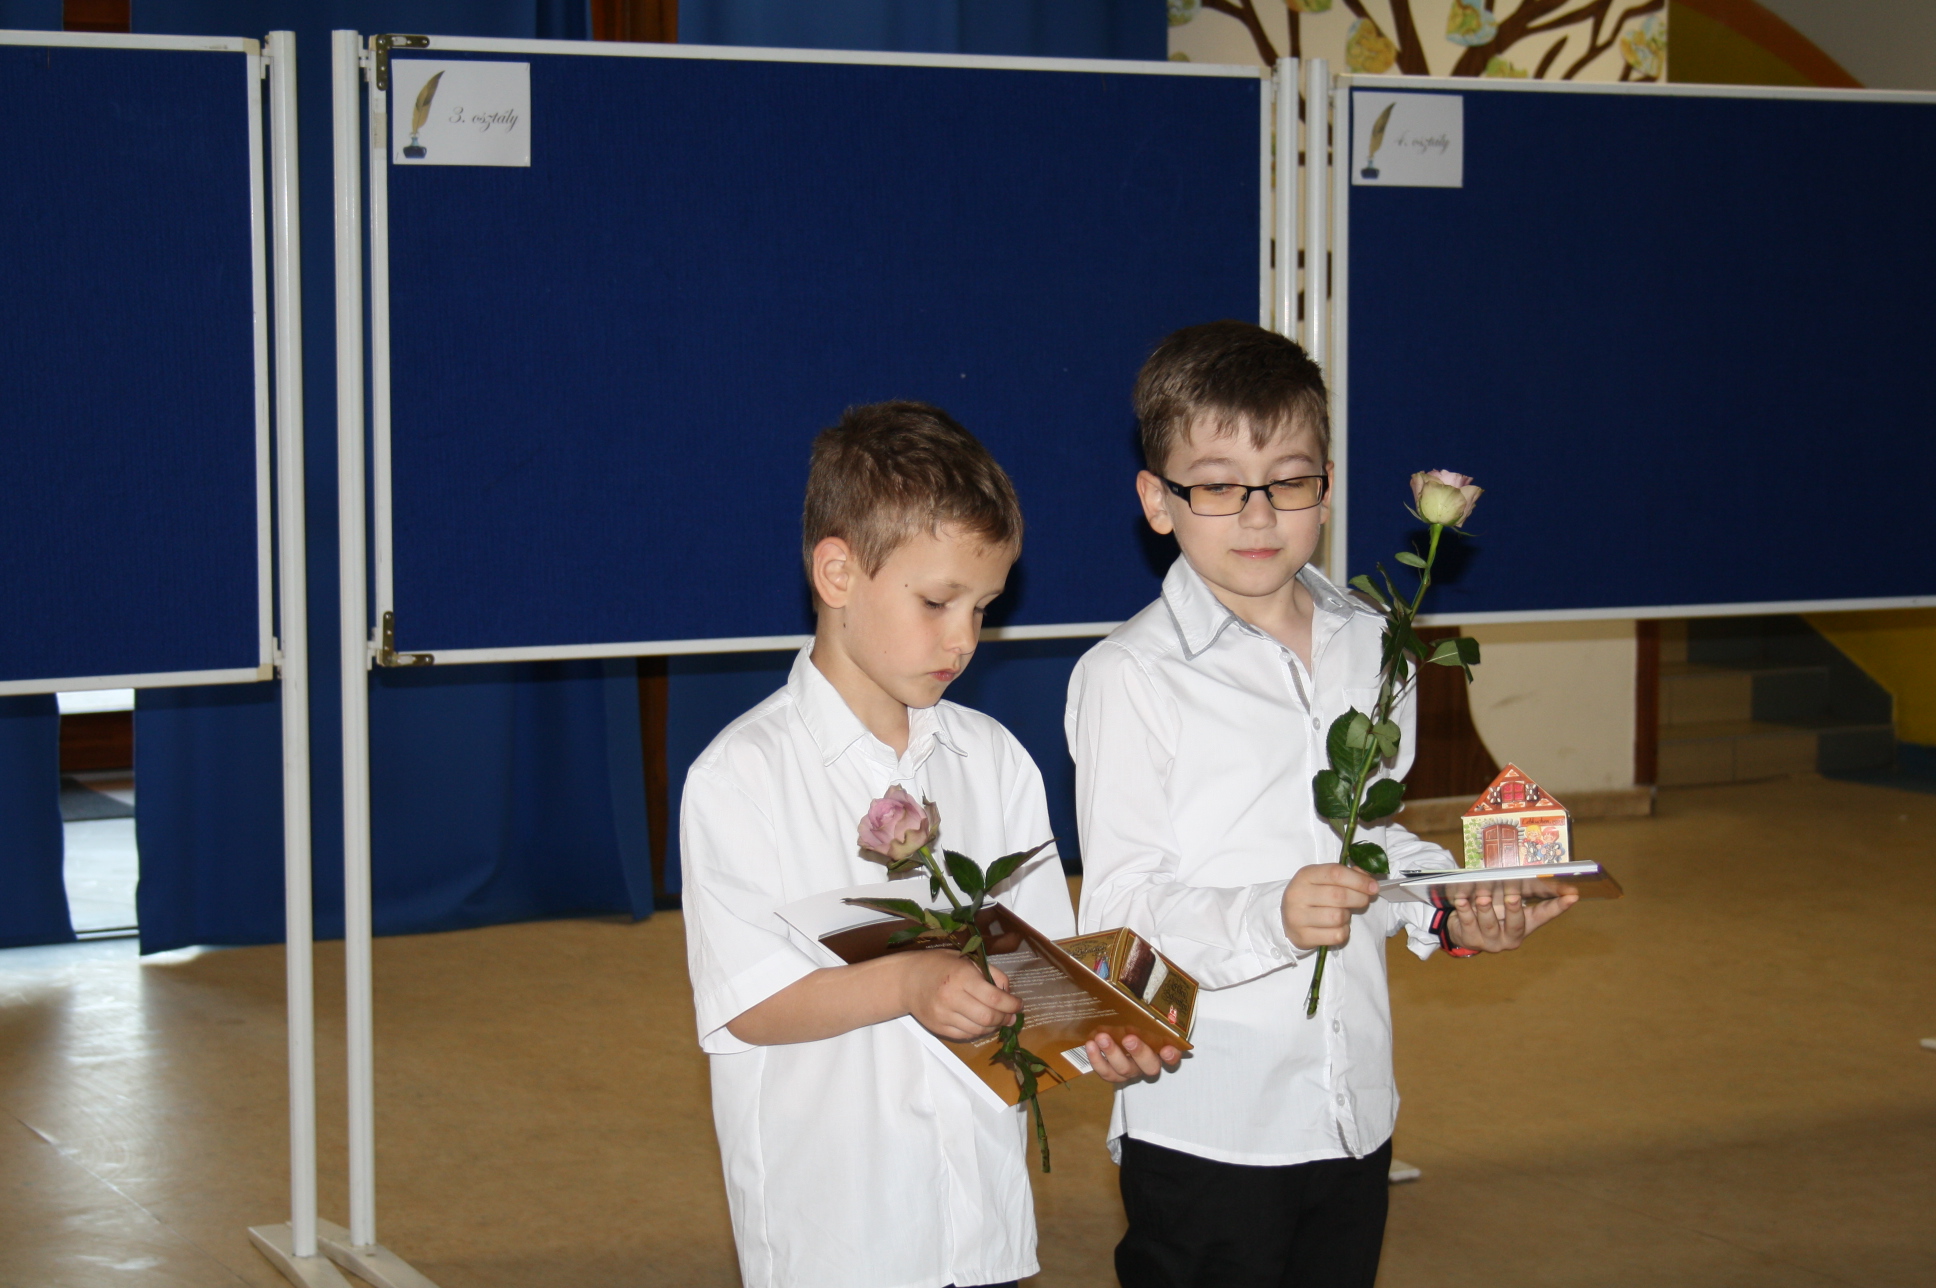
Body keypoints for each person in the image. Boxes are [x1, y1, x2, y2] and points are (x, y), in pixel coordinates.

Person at [1066, 322, 1575, 1288]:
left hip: (1353, 1109)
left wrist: (1450, 908)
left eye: (1289, 480)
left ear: (1328, 487)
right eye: (1218, 485)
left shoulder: (1374, 640)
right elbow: (1121, 915)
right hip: (1211, 1123)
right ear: (1158, 502)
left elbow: (1370, 840)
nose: (1258, 515)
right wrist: (1276, 913)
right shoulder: (1129, 676)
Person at [681, 401, 1174, 1288]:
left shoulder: (995, 760)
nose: (964, 639)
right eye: (938, 602)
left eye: (983, 608)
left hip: (980, 1215)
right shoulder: (742, 774)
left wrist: (1100, 1026)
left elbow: (1036, 965)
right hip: (837, 1232)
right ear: (837, 572)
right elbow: (746, 1004)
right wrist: (911, 984)